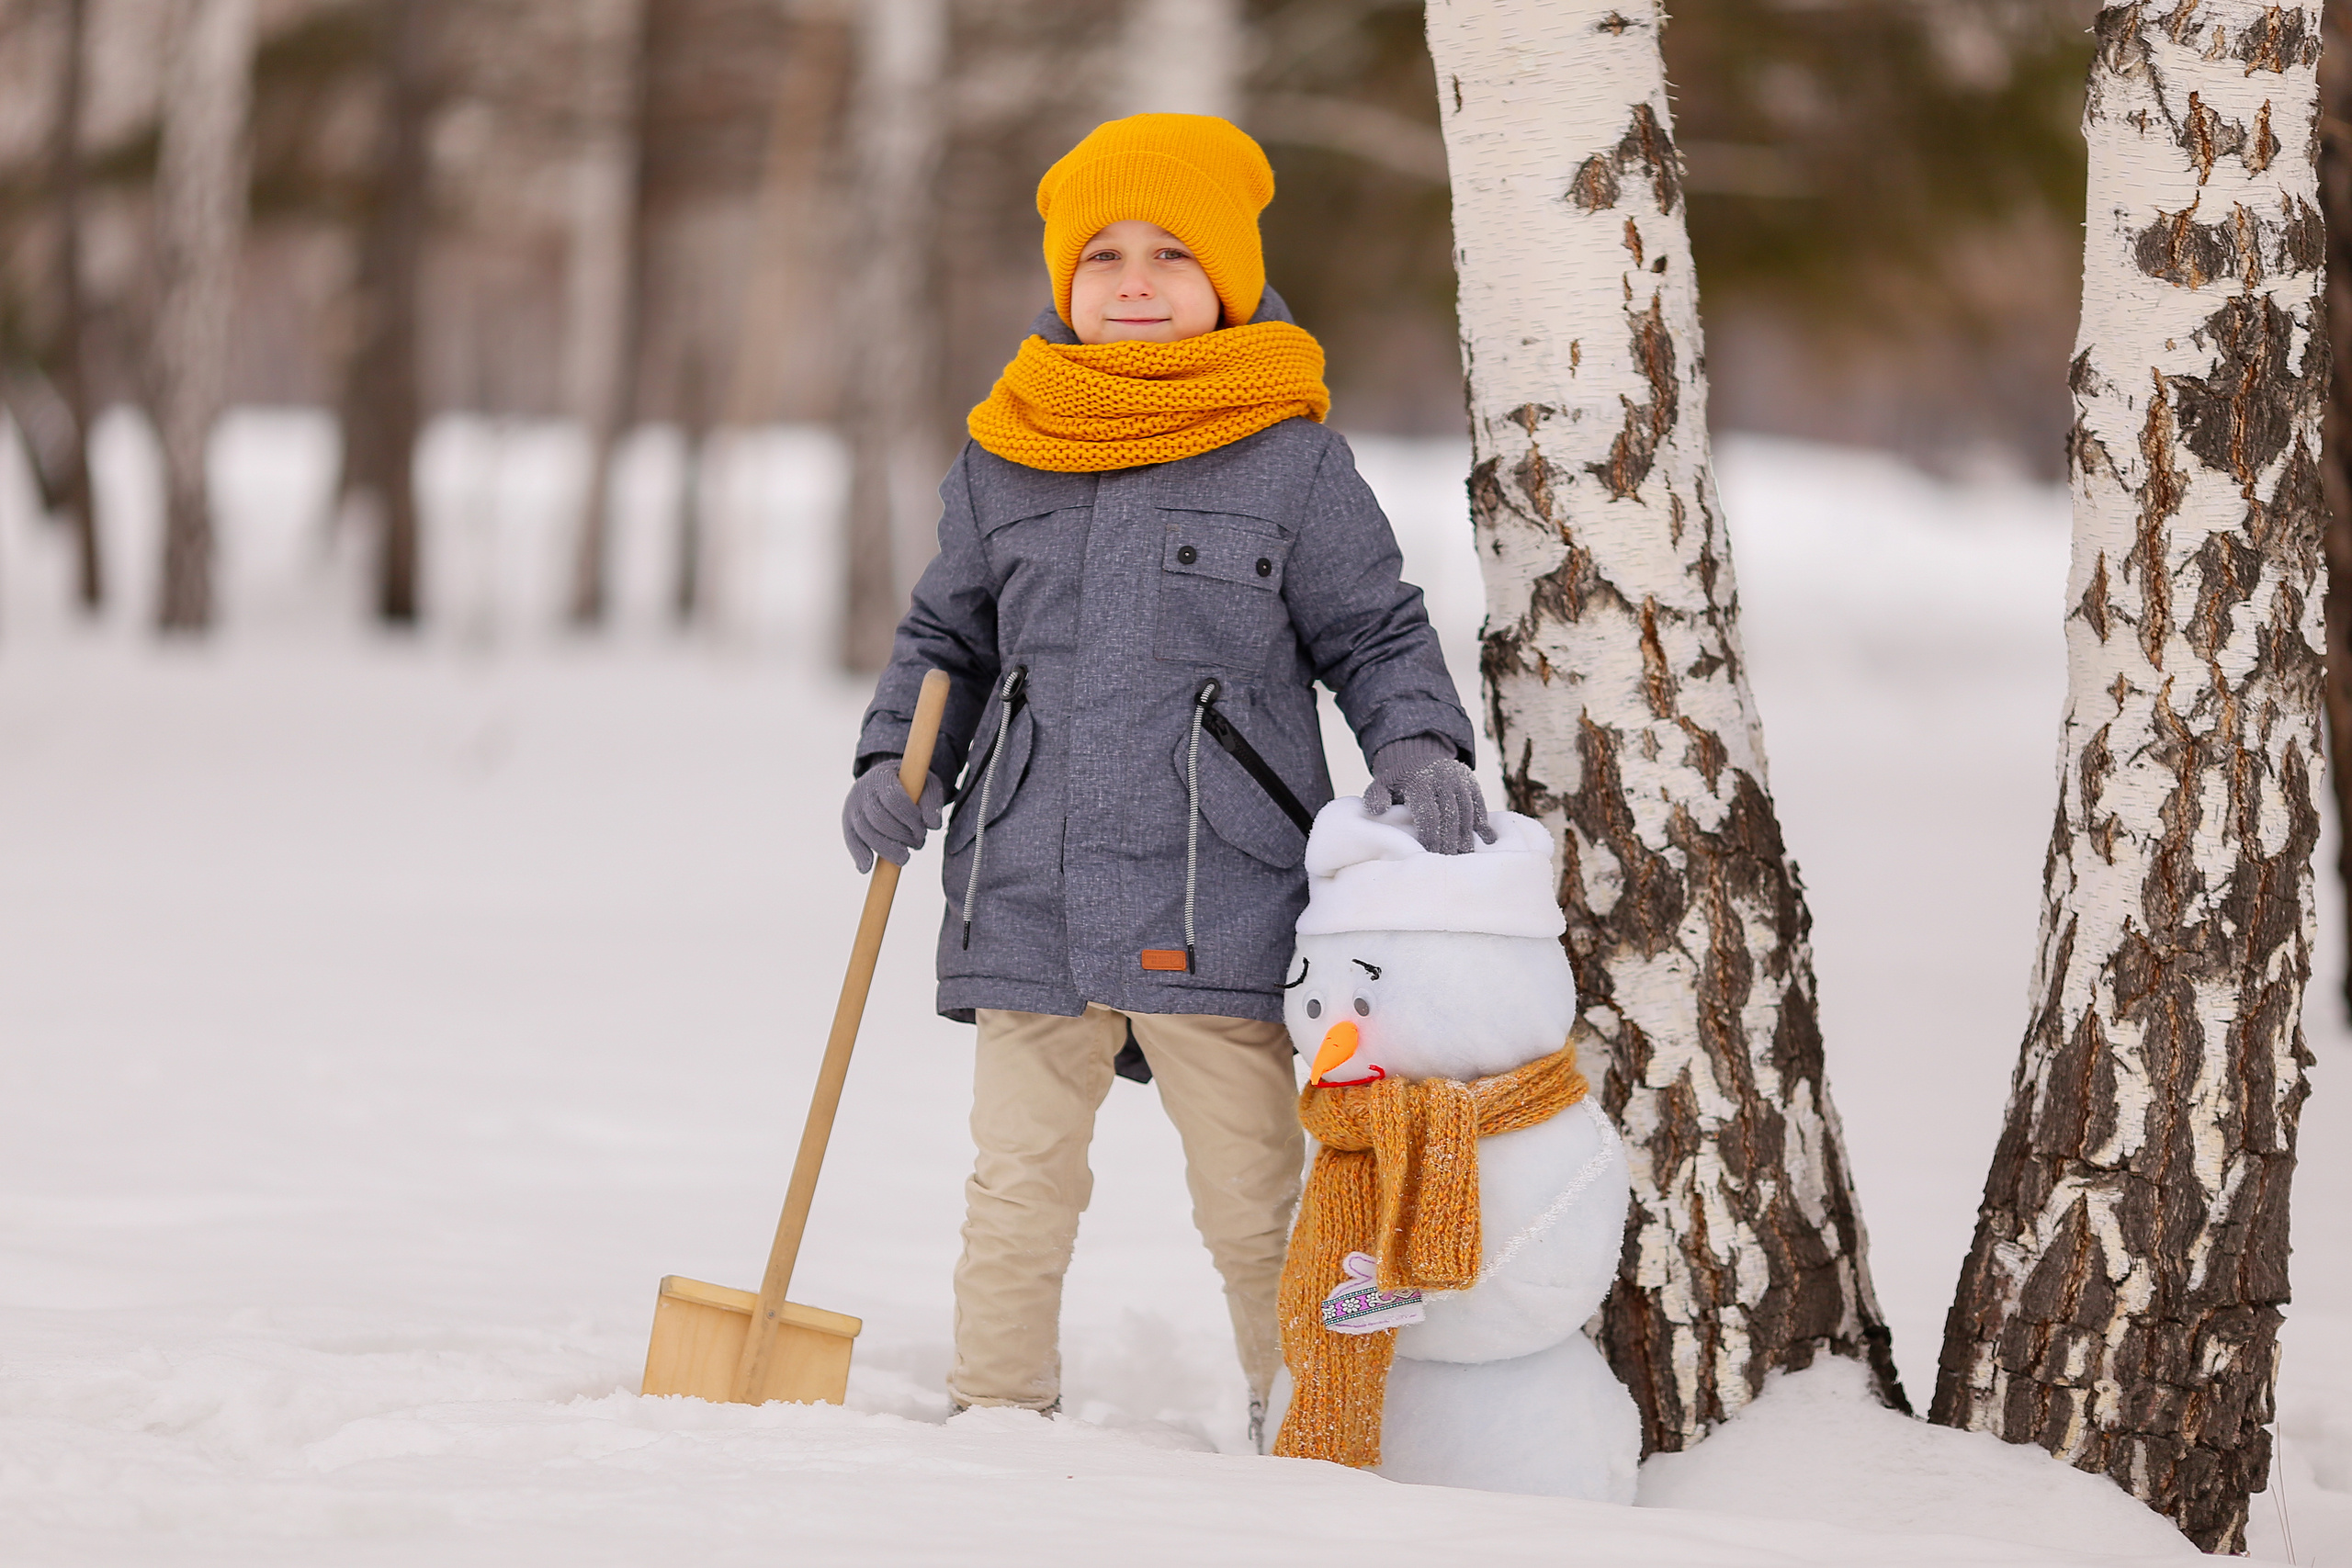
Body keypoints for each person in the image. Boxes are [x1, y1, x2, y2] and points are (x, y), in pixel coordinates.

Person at [842, 114, 1489, 1443]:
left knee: (1255, 1185)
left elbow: (1372, 628)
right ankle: (995, 1408)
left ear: (1230, 278)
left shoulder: (1289, 458)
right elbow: (946, 641)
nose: (1133, 282)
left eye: (1170, 254)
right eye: (1104, 257)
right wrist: (889, 762)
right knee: (1017, 1181)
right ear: (1065, 281)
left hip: (1223, 888)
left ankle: (1304, 1403)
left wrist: (1419, 739)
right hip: (1027, 886)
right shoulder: (1007, 445)